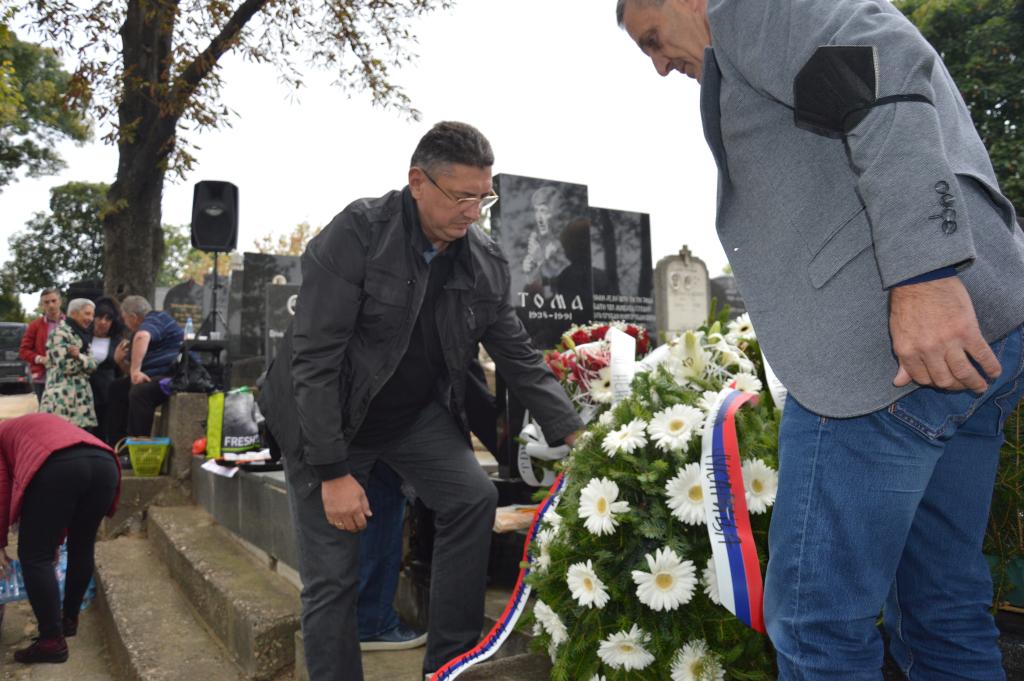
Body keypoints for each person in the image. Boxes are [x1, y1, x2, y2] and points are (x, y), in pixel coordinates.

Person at [616, 1, 1024, 679]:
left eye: (653, 39)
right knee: (940, 606)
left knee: (817, 625)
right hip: (975, 340)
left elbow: (879, 61)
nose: (659, 65)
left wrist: (924, 273)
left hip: (884, 356)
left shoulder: (749, 8)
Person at [257, 121, 583, 681]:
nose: (474, 212)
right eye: (462, 196)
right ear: (417, 181)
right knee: (333, 577)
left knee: (472, 498)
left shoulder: (482, 259)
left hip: (410, 417)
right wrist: (333, 472)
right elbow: (313, 360)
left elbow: (517, 355)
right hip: (327, 418)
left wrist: (577, 434)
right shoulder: (357, 234)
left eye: (484, 197)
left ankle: (449, 667)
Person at [0, 413, 121, 664]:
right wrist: (54, 539)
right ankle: (68, 620)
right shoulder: (27, 426)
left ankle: (51, 641)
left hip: (59, 466)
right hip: (105, 463)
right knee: (82, 545)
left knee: (34, 556)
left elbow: (2, 491)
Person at [106, 296, 184, 445]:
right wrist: (120, 361)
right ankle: (118, 446)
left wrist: (135, 371)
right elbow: (134, 376)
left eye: (125, 319)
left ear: (134, 317)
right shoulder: (142, 328)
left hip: (172, 375)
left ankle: (139, 447)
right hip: (154, 375)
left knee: (140, 392)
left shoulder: (155, 319)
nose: (125, 324)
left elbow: (142, 337)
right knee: (117, 388)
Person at [39, 299, 98, 429]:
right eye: (87, 314)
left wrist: (79, 357)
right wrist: (84, 362)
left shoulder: (83, 335)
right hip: (62, 404)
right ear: (73, 313)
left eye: (92, 315)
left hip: (81, 404)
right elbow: (67, 366)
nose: (91, 318)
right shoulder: (59, 334)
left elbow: (94, 366)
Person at [89, 297, 128, 444]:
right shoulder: (83, 338)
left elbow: (120, 370)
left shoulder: (118, 341)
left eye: (108, 319)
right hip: (85, 392)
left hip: (107, 393)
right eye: (99, 317)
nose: (103, 322)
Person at [19, 289, 64, 403]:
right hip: (42, 378)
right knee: (45, 416)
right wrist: (40, 359)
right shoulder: (35, 325)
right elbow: (23, 351)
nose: (51, 305)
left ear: (60, 301)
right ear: (42, 305)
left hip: (65, 377)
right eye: (46, 302)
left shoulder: (70, 323)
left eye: (53, 301)